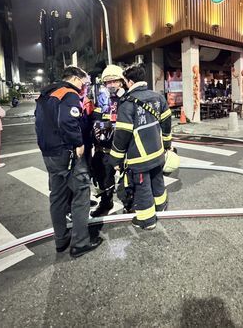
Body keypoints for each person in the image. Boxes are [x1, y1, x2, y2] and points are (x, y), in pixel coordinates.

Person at [35, 65, 103, 258]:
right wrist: (78, 143)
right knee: (81, 194)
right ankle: (80, 242)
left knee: (57, 196)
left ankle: (61, 238)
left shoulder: (47, 94)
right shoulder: (69, 94)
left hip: (50, 153)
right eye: (83, 82)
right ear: (75, 78)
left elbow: (39, 122)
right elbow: (67, 121)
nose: (84, 86)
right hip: (67, 153)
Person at [108, 63, 172, 230]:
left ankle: (146, 220)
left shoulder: (127, 104)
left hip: (139, 157)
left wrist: (115, 158)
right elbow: (166, 123)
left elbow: (122, 135)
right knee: (158, 180)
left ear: (129, 82)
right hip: (158, 152)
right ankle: (161, 208)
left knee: (142, 187)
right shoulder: (158, 97)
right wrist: (167, 143)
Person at [89, 64, 127, 217]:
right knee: (102, 178)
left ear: (121, 81)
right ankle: (106, 202)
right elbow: (96, 122)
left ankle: (129, 204)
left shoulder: (127, 99)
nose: (111, 85)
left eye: (114, 81)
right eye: (108, 82)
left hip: (123, 149)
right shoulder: (101, 100)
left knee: (128, 180)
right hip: (103, 149)